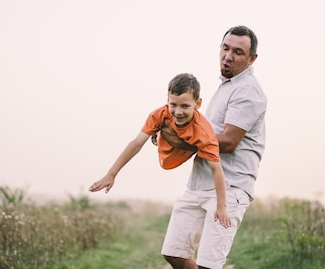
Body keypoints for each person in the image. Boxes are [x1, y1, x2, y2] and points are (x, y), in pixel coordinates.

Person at [159, 25, 267, 269]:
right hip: (199, 183)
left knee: (208, 265)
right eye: (225, 48)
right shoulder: (224, 88)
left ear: (252, 58)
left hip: (230, 188)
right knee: (174, 251)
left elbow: (230, 141)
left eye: (238, 52)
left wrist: (179, 139)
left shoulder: (249, 91)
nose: (228, 56)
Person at [89, 73, 232, 228]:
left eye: (185, 106)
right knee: (161, 126)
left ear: (198, 104)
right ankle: (159, 134)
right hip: (165, 146)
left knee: (199, 145)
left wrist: (221, 207)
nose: (178, 111)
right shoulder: (159, 114)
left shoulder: (204, 133)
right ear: (167, 100)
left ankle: (168, 137)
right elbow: (136, 143)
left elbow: (216, 169)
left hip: (185, 150)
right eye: (173, 104)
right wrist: (111, 174)